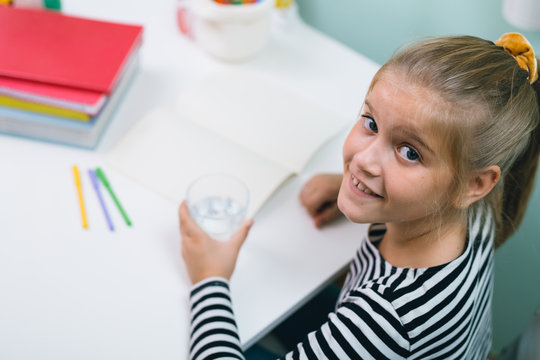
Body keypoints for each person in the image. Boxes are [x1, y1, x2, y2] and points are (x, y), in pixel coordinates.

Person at [178, 32, 540, 359]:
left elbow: (375, 326)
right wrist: (349, 183)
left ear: (474, 185)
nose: (363, 161)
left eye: (409, 152)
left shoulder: (387, 318)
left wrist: (210, 278)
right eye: (371, 123)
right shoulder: (475, 209)